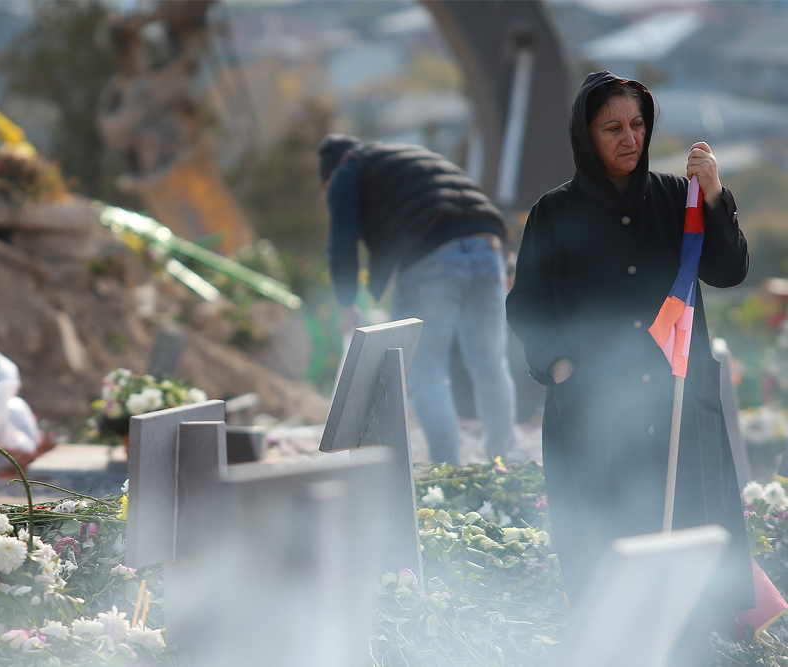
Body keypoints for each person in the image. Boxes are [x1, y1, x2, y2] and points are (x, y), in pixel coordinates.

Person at [506, 71, 753, 666]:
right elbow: (527, 304)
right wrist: (560, 366)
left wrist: (715, 198)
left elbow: (728, 271)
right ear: (585, 135)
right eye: (612, 127)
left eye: (638, 125)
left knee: (688, 562)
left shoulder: (678, 199)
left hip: (676, 410)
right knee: (609, 560)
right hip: (595, 417)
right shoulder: (554, 211)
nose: (629, 138)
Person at [318, 134, 516, 464]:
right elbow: (467, 206)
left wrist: (345, 303)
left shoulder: (346, 169)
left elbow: (342, 239)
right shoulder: (410, 154)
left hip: (432, 255)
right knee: (491, 364)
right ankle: (504, 460)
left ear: (329, 174)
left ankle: (447, 470)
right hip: (489, 246)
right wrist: (504, 265)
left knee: (427, 374)